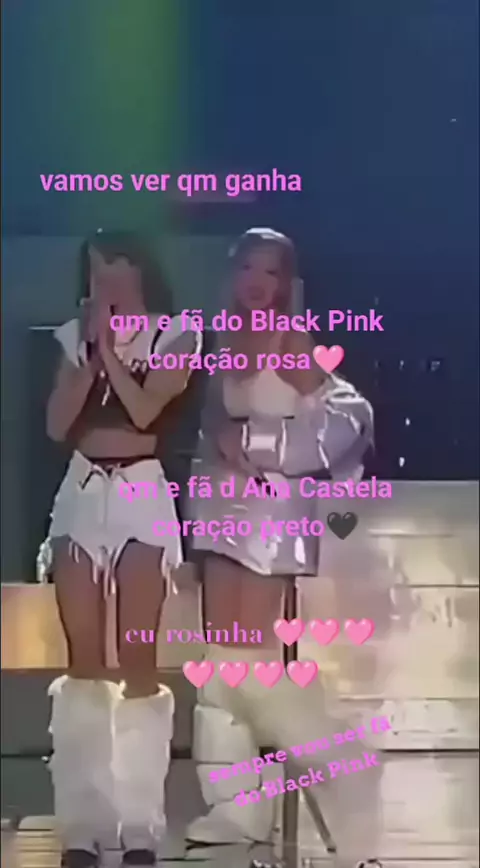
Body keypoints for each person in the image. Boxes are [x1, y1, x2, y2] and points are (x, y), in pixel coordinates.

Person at [185, 228, 382, 866]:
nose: (256, 281)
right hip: (222, 504)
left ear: (284, 282)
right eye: (248, 267)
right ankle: (236, 808)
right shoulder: (222, 337)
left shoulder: (292, 339)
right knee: (222, 662)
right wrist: (222, 442)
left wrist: (266, 447)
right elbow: (212, 422)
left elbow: (348, 414)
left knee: (256, 665)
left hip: (271, 507)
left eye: (269, 271)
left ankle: (346, 766)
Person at [41, 230, 202, 867]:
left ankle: (139, 826)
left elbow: (143, 412)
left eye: (113, 271)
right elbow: (57, 424)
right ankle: (83, 827)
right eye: (94, 274)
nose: (103, 284)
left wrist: (110, 350)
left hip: (141, 493)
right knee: (83, 661)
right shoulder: (71, 339)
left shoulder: (177, 335)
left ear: (140, 271)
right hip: (82, 491)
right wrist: (88, 354)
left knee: (138, 659)